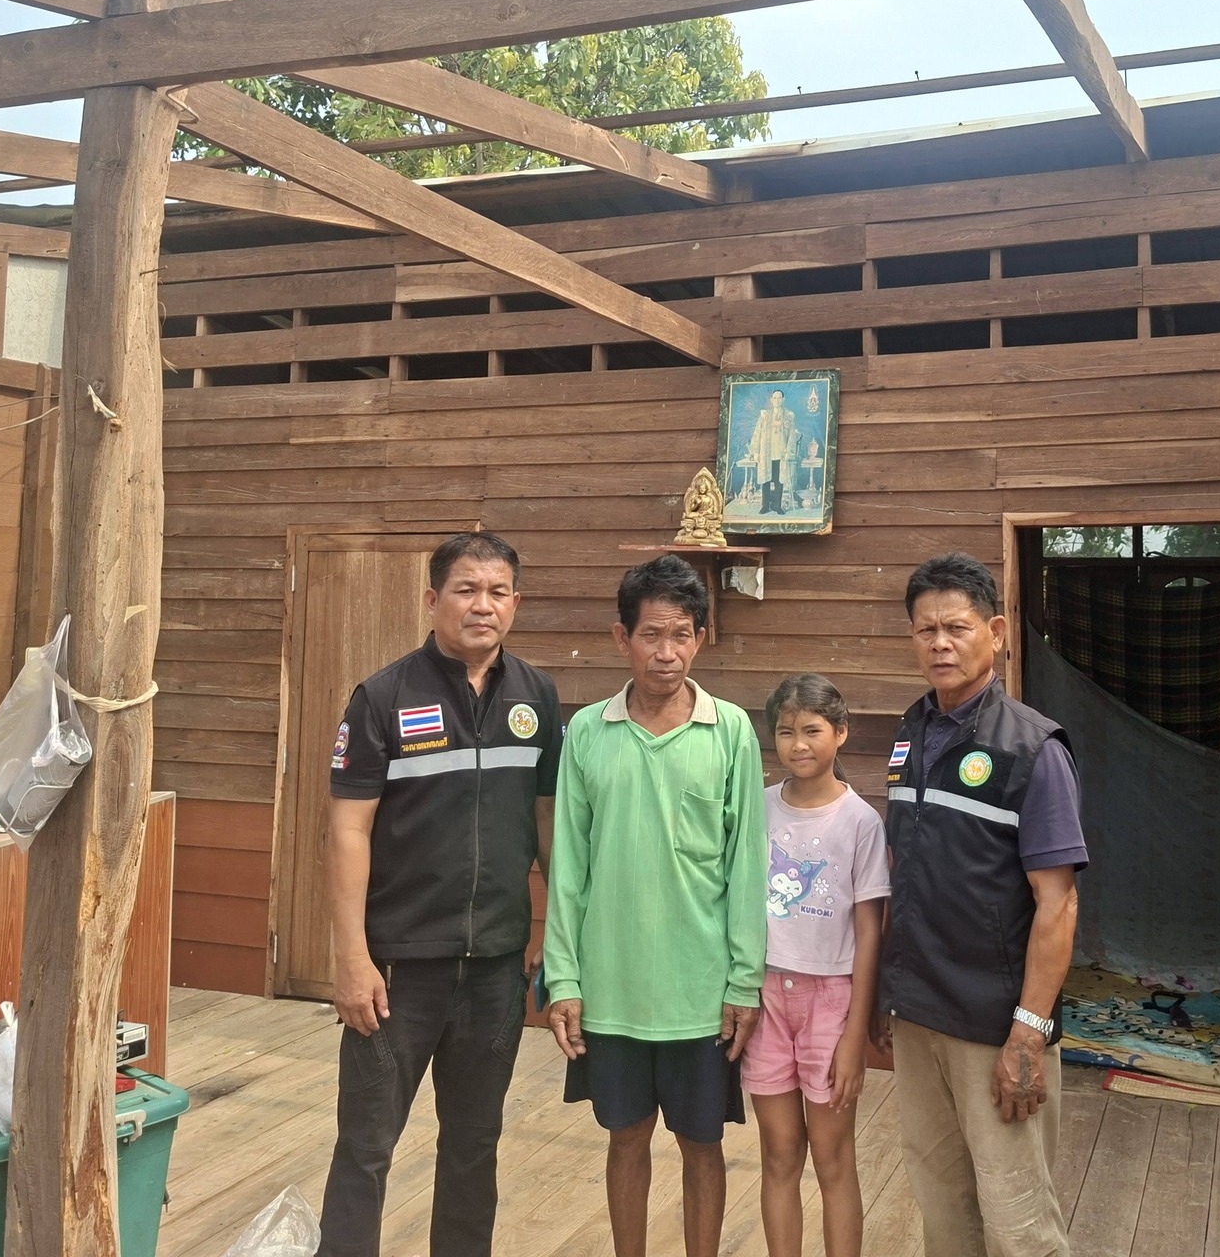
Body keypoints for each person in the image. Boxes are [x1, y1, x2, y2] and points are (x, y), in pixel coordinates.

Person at [318, 532, 563, 1257]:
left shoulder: (537, 695)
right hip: (398, 970)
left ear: (515, 602)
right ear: (433, 600)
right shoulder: (384, 697)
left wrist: (551, 927)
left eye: (497, 592)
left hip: (495, 967)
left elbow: (547, 822)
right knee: (366, 1145)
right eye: (466, 590)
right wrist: (351, 958)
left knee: (473, 1146)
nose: (482, 605)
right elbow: (348, 831)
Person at [543, 556, 767, 1257]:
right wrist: (564, 979)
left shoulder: (731, 731)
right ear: (622, 638)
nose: (666, 652)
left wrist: (744, 981)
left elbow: (747, 866)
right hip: (612, 990)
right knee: (626, 1137)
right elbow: (568, 868)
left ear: (700, 637)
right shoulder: (587, 732)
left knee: (703, 1145)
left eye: (681, 634)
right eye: (651, 634)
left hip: (701, 995)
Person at [874, 552, 1086, 1257]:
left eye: (957, 628)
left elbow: (1058, 903)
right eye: (925, 629)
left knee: (1018, 1223)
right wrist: (885, 995)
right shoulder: (909, 734)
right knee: (944, 1212)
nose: (940, 643)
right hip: (918, 1017)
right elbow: (904, 871)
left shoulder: (1033, 749)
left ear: (994, 632)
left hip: (994, 1029)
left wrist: (1029, 1032)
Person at [744, 675, 888, 1257]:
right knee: (779, 1153)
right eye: (786, 732)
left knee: (832, 1157)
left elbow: (870, 930)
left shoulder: (861, 822)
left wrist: (856, 1035)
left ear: (841, 732)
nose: (799, 744)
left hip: (832, 1000)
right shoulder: (758, 808)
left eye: (812, 730)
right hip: (764, 996)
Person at [747, 389, 800, 515]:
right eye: (774, 398)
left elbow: (792, 435)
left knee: (778, 481)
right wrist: (756, 452)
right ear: (771, 400)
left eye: (779, 397)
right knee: (766, 480)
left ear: (783, 399)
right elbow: (757, 433)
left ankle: (777, 506)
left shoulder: (788, 415)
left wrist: (789, 450)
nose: (777, 400)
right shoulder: (764, 415)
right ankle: (765, 506)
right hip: (766, 454)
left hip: (780, 454)